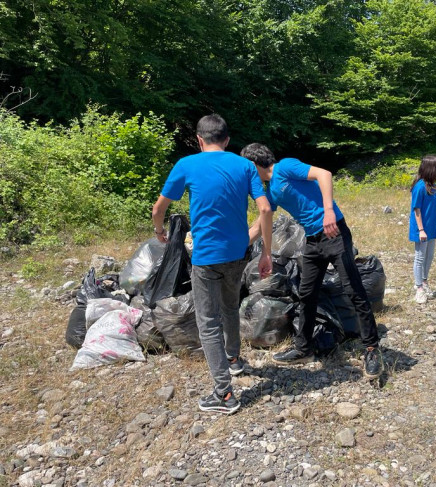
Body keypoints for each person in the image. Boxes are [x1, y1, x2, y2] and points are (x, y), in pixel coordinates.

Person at [152, 114, 273, 414]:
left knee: (208, 323)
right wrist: (267, 252)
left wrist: (159, 230)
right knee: (230, 307)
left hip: (206, 258)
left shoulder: (187, 165)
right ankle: (233, 358)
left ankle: (224, 395)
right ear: (228, 140)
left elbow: (159, 208)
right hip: (238, 254)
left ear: (199, 140)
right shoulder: (245, 165)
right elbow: (266, 208)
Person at [241, 143, 383, 379]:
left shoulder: (284, 167)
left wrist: (328, 211)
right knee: (306, 294)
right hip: (313, 241)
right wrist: (236, 246)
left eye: (246, 169)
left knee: (354, 290)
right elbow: (260, 223)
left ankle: (371, 349)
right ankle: (303, 348)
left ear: (253, 164)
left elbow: (323, 174)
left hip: (334, 231)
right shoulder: (271, 190)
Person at [409, 155, 436, 304]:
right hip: (421, 229)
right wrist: (421, 230)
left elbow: (432, 209)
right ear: (431, 169)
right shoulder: (419, 187)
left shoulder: (433, 187)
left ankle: (424, 282)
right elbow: (417, 209)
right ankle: (418, 288)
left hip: (431, 227)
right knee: (420, 258)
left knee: (429, 256)